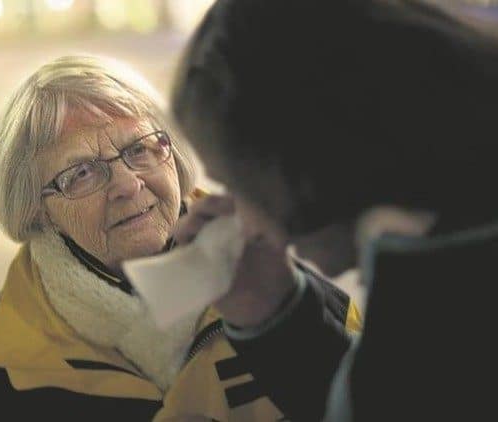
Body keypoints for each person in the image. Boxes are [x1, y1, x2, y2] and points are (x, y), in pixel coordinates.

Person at [0, 55, 361, 421]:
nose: (128, 185)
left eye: (139, 149)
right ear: (37, 210)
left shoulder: (284, 296)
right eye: (81, 172)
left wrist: (280, 327)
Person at [171, 0, 498, 421]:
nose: (248, 225)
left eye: (244, 185)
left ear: (310, 155)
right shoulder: (445, 254)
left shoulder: (449, 293)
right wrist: (268, 312)